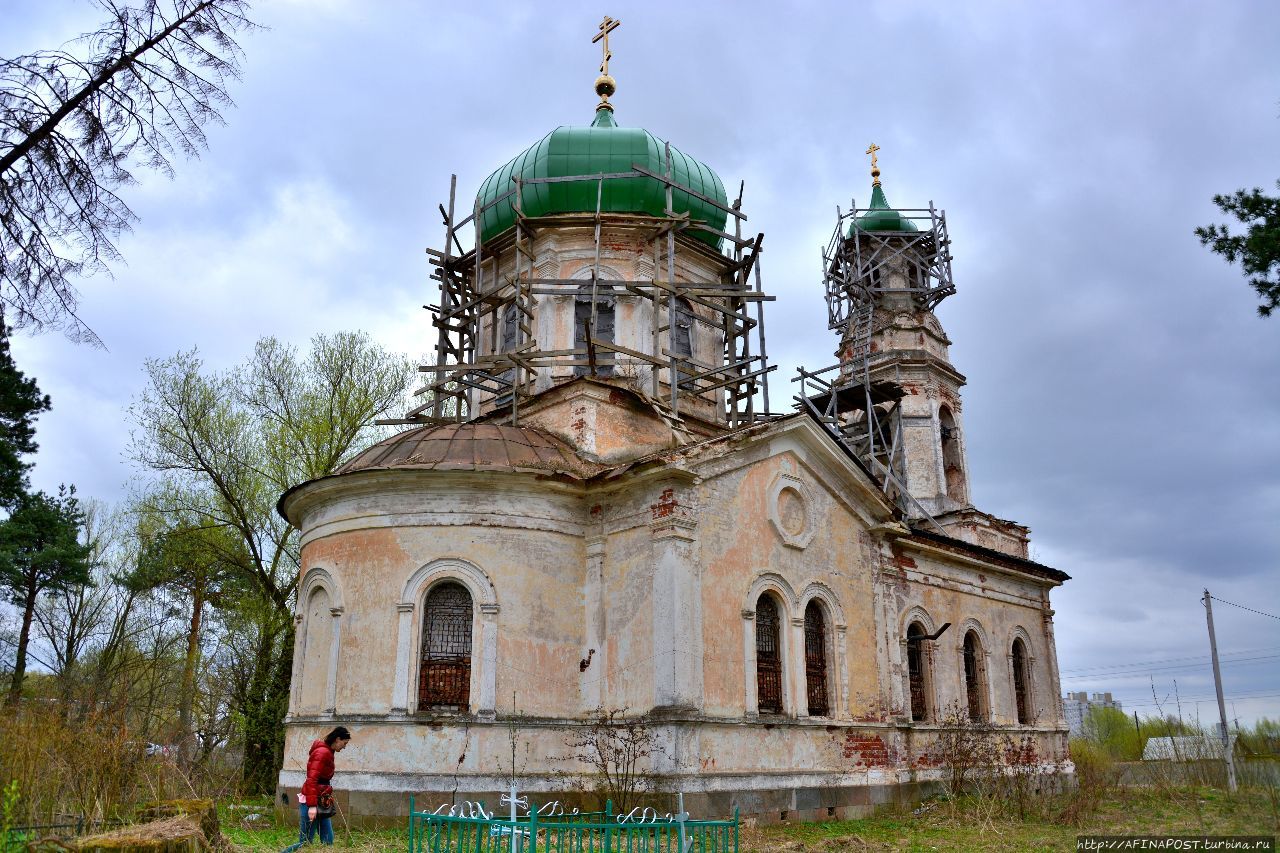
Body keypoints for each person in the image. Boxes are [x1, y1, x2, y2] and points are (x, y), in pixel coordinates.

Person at [283, 726, 351, 851]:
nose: (345, 746)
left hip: (321, 801)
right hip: (312, 803)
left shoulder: (328, 752)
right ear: (337, 739)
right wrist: (313, 806)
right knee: (305, 843)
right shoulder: (322, 753)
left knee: (328, 840)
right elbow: (312, 780)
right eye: (344, 743)